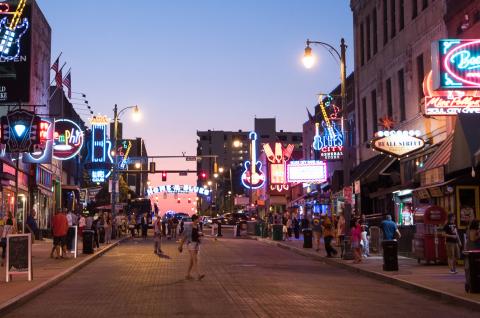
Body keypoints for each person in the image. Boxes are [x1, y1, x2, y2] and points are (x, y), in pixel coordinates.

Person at [178, 214, 205, 281]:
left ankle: (187, 274)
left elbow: (197, 234)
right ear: (195, 219)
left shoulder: (198, 226)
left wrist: (200, 234)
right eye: (198, 219)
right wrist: (180, 245)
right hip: (190, 244)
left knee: (192, 260)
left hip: (196, 244)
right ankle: (198, 274)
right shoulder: (189, 226)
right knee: (195, 259)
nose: (199, 220)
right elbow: (184, 237)